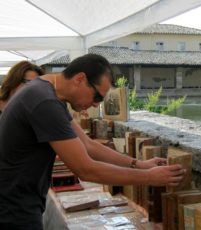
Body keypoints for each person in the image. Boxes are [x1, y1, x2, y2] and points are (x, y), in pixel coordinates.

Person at [0, 54, 185, 230]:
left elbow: (89, 146)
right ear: (80, 79)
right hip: (13, 208)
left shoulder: (47, 92)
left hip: (20, 200)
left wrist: (140, 164)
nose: (96, 105)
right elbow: (85, 169)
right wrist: (149, 178)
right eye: (97, 97)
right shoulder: (44, 101)